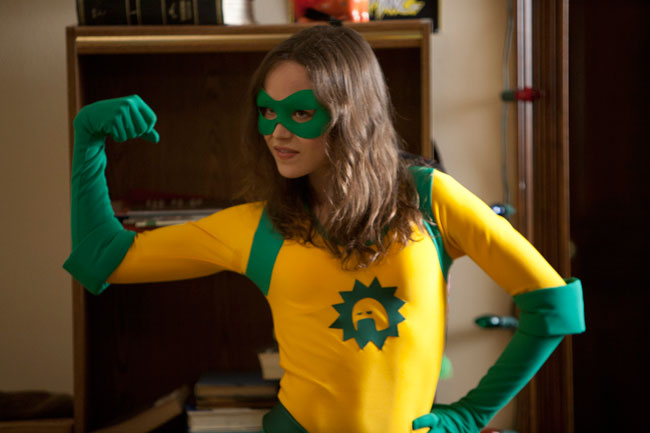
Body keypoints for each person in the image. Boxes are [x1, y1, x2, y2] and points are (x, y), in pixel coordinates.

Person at [63, 25, 585, 433]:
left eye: (299, 113)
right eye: (266, 112)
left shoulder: (427, 199)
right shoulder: (256, 227)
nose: (276, 132)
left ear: (349, 114)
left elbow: (554, 306)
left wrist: (470, 414)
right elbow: (101, 257)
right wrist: (87, 140)